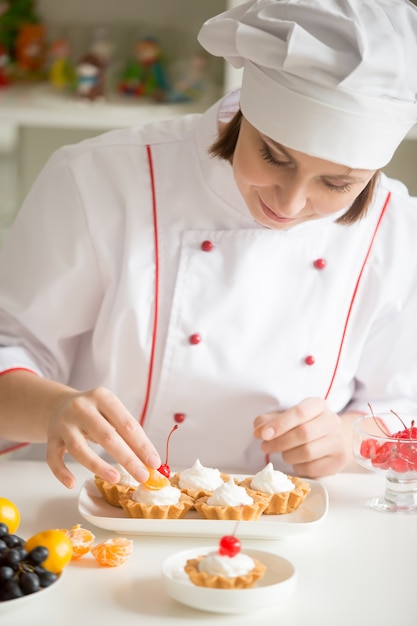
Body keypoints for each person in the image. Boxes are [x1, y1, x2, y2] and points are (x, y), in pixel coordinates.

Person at [1, 0, 417, 490]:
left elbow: (403, 416)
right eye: (273, 156)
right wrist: (52, 409)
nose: (291, 202)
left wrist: (345, 440)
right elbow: (13, 344)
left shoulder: (396, 224)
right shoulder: (99, 178)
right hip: (98, 504)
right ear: (245, 113)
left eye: (337, 184)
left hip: (294, 526)